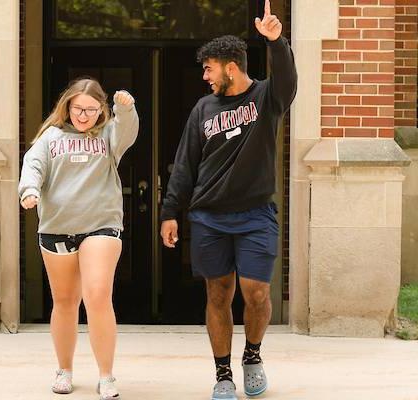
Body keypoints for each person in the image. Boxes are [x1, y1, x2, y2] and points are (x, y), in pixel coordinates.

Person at [159, 1, 297, 399]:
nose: (205, 77)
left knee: (256, 292)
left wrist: (277, 43)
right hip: (208, 217)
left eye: (209, 69)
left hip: (255, 215)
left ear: (230, 67)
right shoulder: (204, 109)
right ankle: (222, 374)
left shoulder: (267, 100)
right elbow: (185, 163)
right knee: (218, 293)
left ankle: (252, 356)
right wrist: (171, 211)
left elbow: (287, 81)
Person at [19, 77, 138, 400]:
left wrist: (125, 109)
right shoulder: (50, 137)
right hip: (57, 227)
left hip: (101, 225)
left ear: (100, 110)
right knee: (65, 301)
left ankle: (106, 375)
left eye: (90, 109)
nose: (83, 116)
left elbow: (127, 130)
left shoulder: (109, 136)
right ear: (67, 106)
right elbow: (34, 166)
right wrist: (29, 190)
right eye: (77, 109)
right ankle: (64, 370)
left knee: (97, 294)